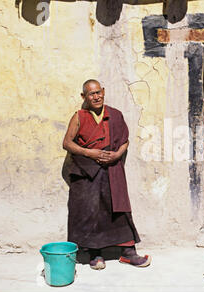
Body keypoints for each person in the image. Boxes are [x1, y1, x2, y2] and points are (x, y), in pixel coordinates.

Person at [62, 79, 151, 270]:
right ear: (83, 96)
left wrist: (118, 154)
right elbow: (67, 143)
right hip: (87, 172)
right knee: (91, 212)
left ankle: (128, 253)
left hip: (112, 170)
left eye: (98, 92)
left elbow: (125, 141)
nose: (96, 96)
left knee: (119, 209)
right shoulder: (79, 116)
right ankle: (95, 254)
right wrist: (89, 153)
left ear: (103, 91)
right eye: (91, 94)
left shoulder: (115, 115)